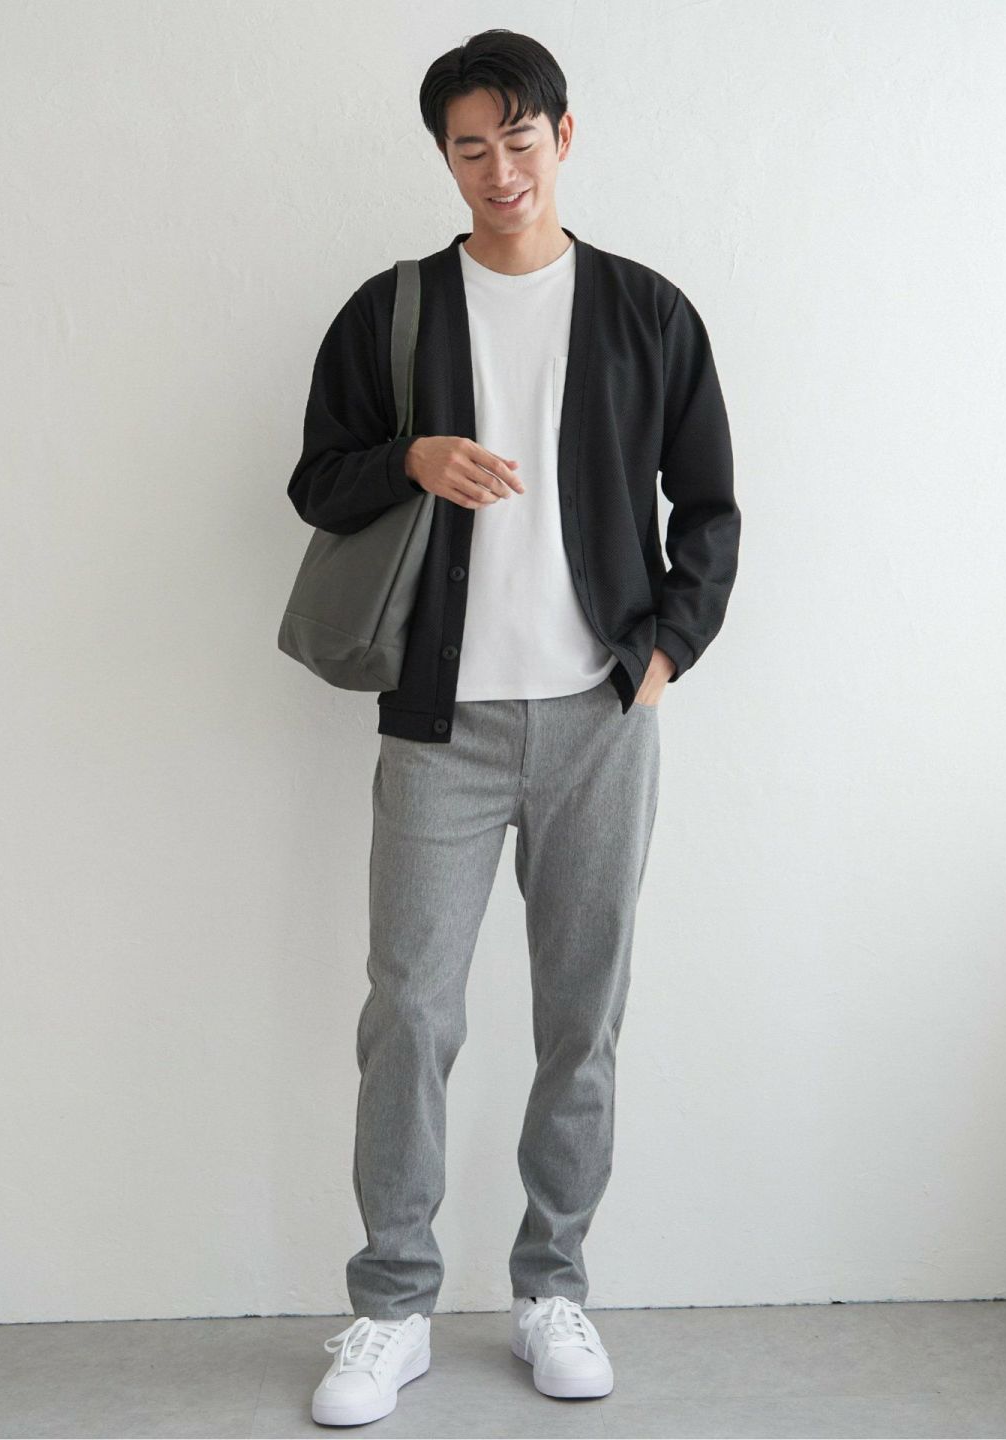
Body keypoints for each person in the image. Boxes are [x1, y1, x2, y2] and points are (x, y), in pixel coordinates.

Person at [290, 28, 740, 1428]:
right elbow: (317, 481)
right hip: (440, 726)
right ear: (446, 158)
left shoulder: (646, 312)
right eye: (471, 148)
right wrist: (411, 458)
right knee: (409, 1013)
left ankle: (552, 1285)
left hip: (602, 717)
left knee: (581, 1015)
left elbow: (710, 509)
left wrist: (665, 650)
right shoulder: (395, 310)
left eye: (521, 140)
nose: (501, 170)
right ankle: (392, 1306)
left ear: (564, 136)